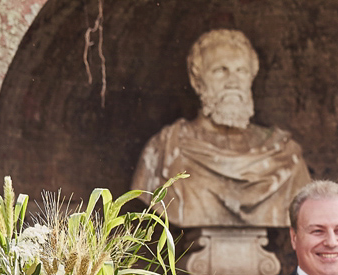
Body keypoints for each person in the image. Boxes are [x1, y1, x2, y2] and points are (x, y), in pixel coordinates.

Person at [131, 29, 311, 229]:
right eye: (220, 71)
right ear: (196, 81)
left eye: (241, 71)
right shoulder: (163, 150)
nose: (232, 82)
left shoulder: (285, 155)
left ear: (251, 77)